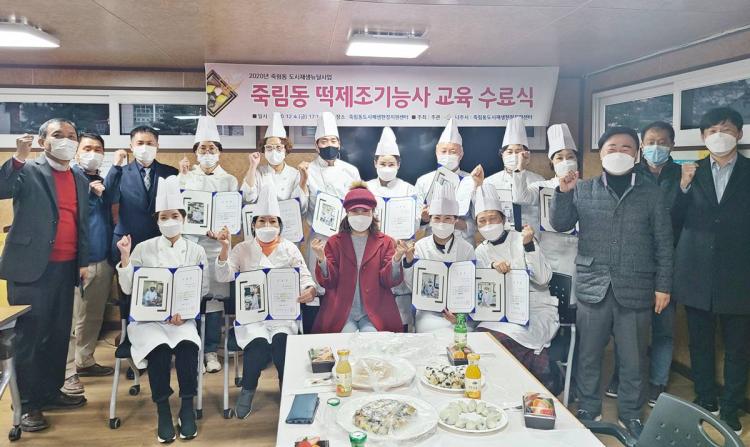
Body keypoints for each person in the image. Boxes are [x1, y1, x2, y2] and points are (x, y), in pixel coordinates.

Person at [550, 126, 674, 439]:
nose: (619, 153)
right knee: (589, 355)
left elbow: (663, 242)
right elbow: (560, 223)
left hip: (636, 286)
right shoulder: (583, 188)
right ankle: (588, 408)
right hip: (593, 285)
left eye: (626, 147)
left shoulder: (651, 193)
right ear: (601, 154)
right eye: (612, 148)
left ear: (637, 154)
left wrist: (663, 286)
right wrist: (563, 192)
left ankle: (631, 414)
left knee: (633, 359)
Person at [0, 119, 90, 432]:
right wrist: (18, 157)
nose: (66, 140)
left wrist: (83, 261)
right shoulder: (27, 169)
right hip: (31, 268)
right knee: (30, 338)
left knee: (57, 335)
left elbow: (81, 222)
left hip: (67, 268)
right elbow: (3, 188)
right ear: (43, 141)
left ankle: (50, 392)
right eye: (58, 135)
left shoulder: (79, 176)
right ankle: (27, 404)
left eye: (71, 136)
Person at [672, 107, 749, 436]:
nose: (719, 135)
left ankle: (730, 408)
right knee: (700, 344)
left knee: (738, 348)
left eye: (726, 129)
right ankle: (705, 399)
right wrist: (683, 187)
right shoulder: (691, 171)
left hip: (740, 274)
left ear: (739, 134)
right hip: (696, 272)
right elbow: (674, 220)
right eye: (712, 130)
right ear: (703, 137)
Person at [115, 176, 208, 443]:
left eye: (175, 216)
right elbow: (128, 288)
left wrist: (185, 313)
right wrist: (125, 257)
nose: (169, 221)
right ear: (157, 221)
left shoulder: (196, 251)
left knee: (188, 349)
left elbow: (201, 289)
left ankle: (187, 407)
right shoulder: (143, 248)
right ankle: (163, 411)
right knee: (160, 351)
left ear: (183, 218)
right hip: (148, 322)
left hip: (182, 320)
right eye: (164, 217)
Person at [214, 186, 317, 418]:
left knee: (282, 344)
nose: (267, 225)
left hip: (283, 317)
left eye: (272, 221)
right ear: (253, 225)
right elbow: (223, 275)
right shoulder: (242, 249)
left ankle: (286, 389)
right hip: (253, 319)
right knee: (258, 346)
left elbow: (305, 277)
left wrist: (309, 291)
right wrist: (224, 249)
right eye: (262, 221)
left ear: (280, 225)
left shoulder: (290, 248)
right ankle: (248, 390)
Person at [606, 121, 681, 407]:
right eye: (650, 142)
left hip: (667, 260)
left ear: (671, 144)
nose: (656, 147)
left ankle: (657, 382)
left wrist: (685, 189)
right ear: (642, 147)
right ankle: (620, 375)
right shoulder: (630, 173)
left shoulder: (683, 175)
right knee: (626, 329)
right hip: (632, 264)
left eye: (662, 142)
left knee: (663, 327)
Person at [473, 184, 560, 392]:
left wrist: (529, 246)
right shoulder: (480, 251)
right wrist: (492, 269)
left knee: (503, 340)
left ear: (503, 219)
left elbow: (543, 279)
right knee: (481, 339)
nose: (488, 225)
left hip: (534, 309)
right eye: (482, 221)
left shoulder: (522, 238)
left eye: (493, 218)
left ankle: (523, 387)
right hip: (499, 314)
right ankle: (501, 389)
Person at [178, 116, 239, 374]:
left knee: (214, 300)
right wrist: (182, 178)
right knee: (191, 296)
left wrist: (223, 232)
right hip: (190, 245)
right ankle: (193, 349)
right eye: (202, 148)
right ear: (195, 152)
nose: (207, 153)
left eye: (212, 148)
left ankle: (211, 349)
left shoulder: (229, 180)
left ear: (219, 152)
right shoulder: (184, 177)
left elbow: (232, 215)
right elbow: (176, 212)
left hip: (217, 248)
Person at [311, 183, 405, 333]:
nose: (360, 216)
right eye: (355, 211)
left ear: (372, 213)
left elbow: (388, 281)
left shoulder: (386, 242)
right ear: (347, 213)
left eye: (365, 211)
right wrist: (322, 259)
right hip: (342, 311)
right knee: (344, 342)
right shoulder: (334, 242)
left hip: (375, 311)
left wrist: (396, 259)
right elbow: (329, 282)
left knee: (372, 341)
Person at [63, 131, 116, 397]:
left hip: (103, 258)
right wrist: (87, 191)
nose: (92, 153)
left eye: (98, 149)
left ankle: (85, 360)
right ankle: (66, 371)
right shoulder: (68, 179)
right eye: (87, 148)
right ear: (76, 152)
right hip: (76, 262)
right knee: (70, 318)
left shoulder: (103, 182)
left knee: (93, 315)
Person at [297, 112, 361, 333]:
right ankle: (314, 338)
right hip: (319, 239)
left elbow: (358, 203)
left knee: (342, 289)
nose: (329, 145)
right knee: (317, 289)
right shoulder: (307, 169)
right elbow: (301, 208)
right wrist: (303, 181)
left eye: (333, 140)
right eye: (324, 141)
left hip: (347, 238)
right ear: (316, 145)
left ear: (339, 143)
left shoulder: (351, 171)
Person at [365, 127, 419, 331]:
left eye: (391, 164)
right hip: (371, 251)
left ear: (398, 165)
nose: (387, 168)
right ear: (375, 163)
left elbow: (415, 223)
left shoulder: (409, 189)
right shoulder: (365, 188)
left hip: (399, 249)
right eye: (383, 164)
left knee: (400, 309)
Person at [404, 181, 476, 334]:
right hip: (428, 311)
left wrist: (459, 315)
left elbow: (471, 287)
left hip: (459, 310)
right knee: (432, 332)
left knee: (465, 333)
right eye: (437, 218)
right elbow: (412, 286)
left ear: (455, 220)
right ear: (430, 220)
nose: (442, 223)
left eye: (448, 218)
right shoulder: (420, 247)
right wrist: (409, 262)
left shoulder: (467, 249)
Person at [105, 125, 179, 265]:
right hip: (127, 241)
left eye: (150, 143)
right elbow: (107, 195)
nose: (145, 147)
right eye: (140, 143)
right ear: (131, 147)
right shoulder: (120, 172)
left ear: (157, 146)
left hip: (160, 241)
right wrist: (116, 164)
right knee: (127, 279)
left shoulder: (171, 173)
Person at [476, 117, 545, 231]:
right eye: (509, 152)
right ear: (502, 155)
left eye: (518, 152)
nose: (514, 155)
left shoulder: (539, 180)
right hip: (501, 234)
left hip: (533, 233)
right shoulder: (489, 182)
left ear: (526, 155)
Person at [416, 118, 475, 245]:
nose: (447, 155)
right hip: (431, 243)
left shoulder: (471, 181)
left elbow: (480, 219)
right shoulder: (423, 181)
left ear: (461, 154)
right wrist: (424, 219)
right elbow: (414, 220)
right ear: (436, 152)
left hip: (463, 243)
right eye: (443, 151)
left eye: (453, 152)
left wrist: (458, 223)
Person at [242, 112, 308, 216]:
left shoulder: (295, 174)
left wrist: (303, 180)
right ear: (264, 150)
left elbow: (300, 207)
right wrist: (253, 166)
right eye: (269, 147)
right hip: (263, 221)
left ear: (286, 150)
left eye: (278, 147)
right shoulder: (257, 172)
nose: (273, 151)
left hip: (288, 221)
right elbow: (248, 199)